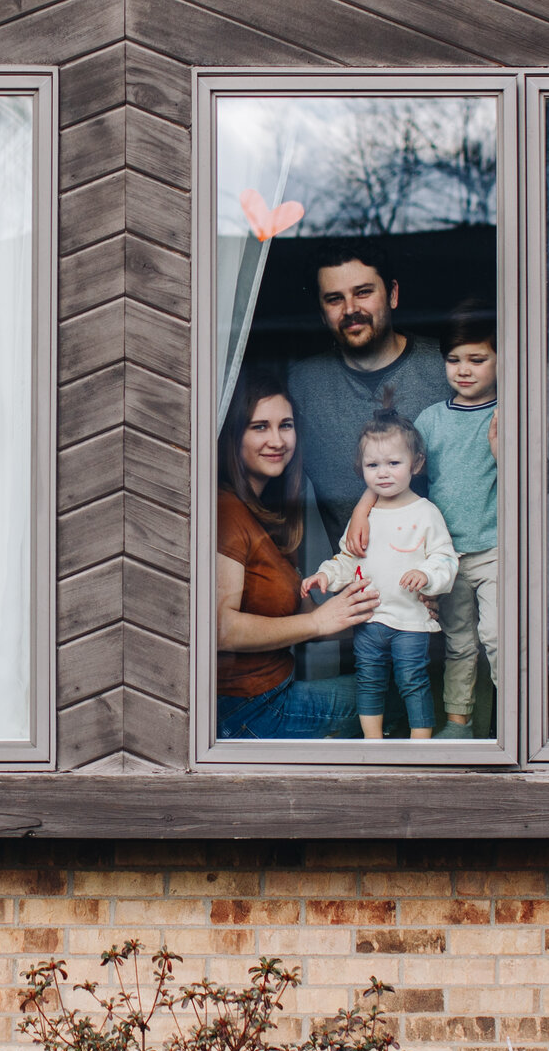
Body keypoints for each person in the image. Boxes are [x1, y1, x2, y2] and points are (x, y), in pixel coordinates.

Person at [347, 307, 503, 739]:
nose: (464, 370)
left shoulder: (506, 415)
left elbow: (537, 482)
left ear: (501, 359)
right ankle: (458, 723)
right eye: (455, 360)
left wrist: (502, 451)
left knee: (496, 636)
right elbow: (394, 468)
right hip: (442, 556)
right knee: (459, 643)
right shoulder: (433, 418)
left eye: (477, 359)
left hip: (492, 550)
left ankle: (518, 723)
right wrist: (363, 508)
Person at [214, 374, 369, 740]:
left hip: (269, 697)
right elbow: (220, 628)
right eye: (259, 427)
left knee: (396, 685)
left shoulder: (263, 512)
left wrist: (385, 613)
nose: (277, 440)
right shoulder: (225, 512)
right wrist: (318, 623)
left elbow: (302, 620)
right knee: (390, 700)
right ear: (234, 437)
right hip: (248, 710)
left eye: (285, 425)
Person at [305, 411, 456, 739]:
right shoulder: (365, 516)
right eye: (373, 466)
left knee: (413, 680)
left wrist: (426, 574)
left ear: (415, 464)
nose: (383, 473)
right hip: (370, 621)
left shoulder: (426, 512)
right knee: (369, 680)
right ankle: (374, 742)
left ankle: (420, 745)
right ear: (361, 469)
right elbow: (348, 558)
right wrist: (325, 576)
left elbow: (445, 559)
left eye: (393, 463)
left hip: (410, 622)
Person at [286, 243, 449, 530]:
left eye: (363, 292)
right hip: (352, 571)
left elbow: (530, 476)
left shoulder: (448, 370)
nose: (351, 309)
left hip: (442, 570)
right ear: (322, 313)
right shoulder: (302, 386)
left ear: (393, 295)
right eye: (335, 299)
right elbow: (265, 487)